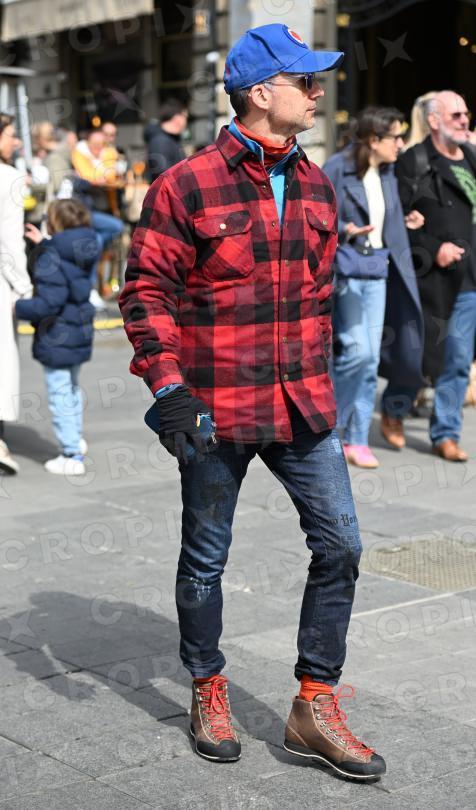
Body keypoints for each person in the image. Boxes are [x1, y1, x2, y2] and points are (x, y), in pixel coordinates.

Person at [120, 24, 385, 779]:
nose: (318, 92)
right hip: (215, 408)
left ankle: (313, 705)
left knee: (342, 546)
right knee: (206, 559)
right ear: (261, 92)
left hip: (303, 404)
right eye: (306, 81)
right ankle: (207, 685)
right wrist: (169, 389)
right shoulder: (186, 184)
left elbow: (318, 297)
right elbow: (145, 292)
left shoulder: (317, 184)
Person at [323, 107, 424, 468]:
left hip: (379, 270)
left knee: (369, 361)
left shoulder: (388, 172)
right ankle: (330, 429)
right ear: (373, 140)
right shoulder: (338, 167)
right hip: (348, 272)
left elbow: (384, 217)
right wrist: (346, 230)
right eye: (395, 137)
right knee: (357, 351)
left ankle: (356, 438)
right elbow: (315, 214)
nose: (401, 144)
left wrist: (405, 220)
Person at [394, 90, 476, 461]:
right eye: (455, 114)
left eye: (465, 113)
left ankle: (445, 433)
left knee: (457, 359)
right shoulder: (415, 160)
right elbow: (395, 222)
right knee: (413, 357)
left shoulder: (471, 157)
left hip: (467, 277)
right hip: (429, 278)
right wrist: (432, 246)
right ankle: (393, 409)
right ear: (433, 120)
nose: (464, 120)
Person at [15, 200, 100, 475]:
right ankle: (76, 439)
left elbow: (49, 302)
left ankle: (71, 454)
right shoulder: (85, 246)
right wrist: (43, 244)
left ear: (54, 222)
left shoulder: (52, 255)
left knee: (60, 394)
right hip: (79, 331)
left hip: (57, 335)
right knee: (71, 389)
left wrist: (17, 307)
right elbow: (67, 274)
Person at [0, 113, 33, 474]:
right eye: (10, 134)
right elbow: (9, 243)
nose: (16, 141)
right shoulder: (8, 178)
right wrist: (23, 287)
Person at [72, 129, 124, 307]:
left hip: (99, 208)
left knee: (100, 241)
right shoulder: (79, 154)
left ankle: (94, 289)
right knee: (110, 231)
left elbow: (109, 176)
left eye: (101, 145)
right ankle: (92, 289)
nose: (98, 148)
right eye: (95, 145)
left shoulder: (107, 153)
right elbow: (90, 177)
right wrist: (100, 175)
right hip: (82, 211)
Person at [145, 99, 187, 183]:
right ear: (177, 118)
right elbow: (164, 177)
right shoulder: (160, 141)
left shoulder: (169, 139)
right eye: (185, 117)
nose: (186, 121)